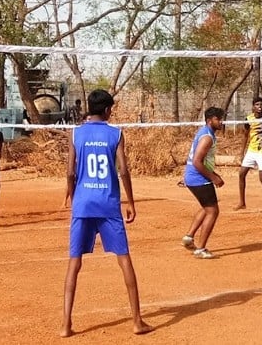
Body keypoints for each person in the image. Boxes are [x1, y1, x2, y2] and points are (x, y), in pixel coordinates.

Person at [60, 89, 152, 338]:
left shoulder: (76, 133)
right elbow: (123, 170)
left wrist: (71, 193)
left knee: (74, 263)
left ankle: (66, 325)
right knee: (124, 260)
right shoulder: (115, 133)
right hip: (108, 204)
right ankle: (136, 321)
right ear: (107, 110)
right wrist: (131, 201)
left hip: (83, 204)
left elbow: (70, 171)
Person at [181, 107, 226, 259]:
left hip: (194, 177)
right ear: (209, 120)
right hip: (199, 178)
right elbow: (197, 161)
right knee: (213, 211)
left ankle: (189, 237)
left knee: (206, 208)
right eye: (218, 119)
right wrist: (213, 178)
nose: (221, 122)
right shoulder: (207, 137)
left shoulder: (206, 133)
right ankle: (201, 249)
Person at [235, 97, 262, 214]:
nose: (260, 107)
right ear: (253, 106)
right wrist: (241, 152)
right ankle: (242, 202)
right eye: (257, 104)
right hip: (251, 151)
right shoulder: (248, 119)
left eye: (261, 105)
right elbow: (245, 136)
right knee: (241, 174)